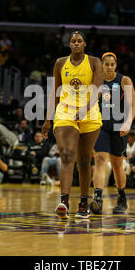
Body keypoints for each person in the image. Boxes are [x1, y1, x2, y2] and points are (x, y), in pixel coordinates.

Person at [41, 31, 103, 219]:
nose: (76, 44)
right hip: (65, 113)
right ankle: (64, 201)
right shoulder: (60, 63)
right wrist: (47, 118)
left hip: (89, 113)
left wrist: (85, 108)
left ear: (85, 44)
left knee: (84, 162)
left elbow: (98, 88)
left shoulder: (94, 62)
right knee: (67, 155)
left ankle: (83, 202)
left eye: (79, 41)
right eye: (73, 41)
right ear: (69, 44)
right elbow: (55, 92)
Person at [90, 52, 135, 214]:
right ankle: (97, 198)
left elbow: (132, 105)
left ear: (116, 66)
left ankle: (122, 198)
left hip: (119, 126)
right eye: (106, 64)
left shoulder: (124, 80)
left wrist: (128, 123)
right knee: (100, 159)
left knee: (117, 165)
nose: (109, 67)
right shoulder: (97, 81)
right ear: (101, 65)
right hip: (101, 125)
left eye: (112, 64)